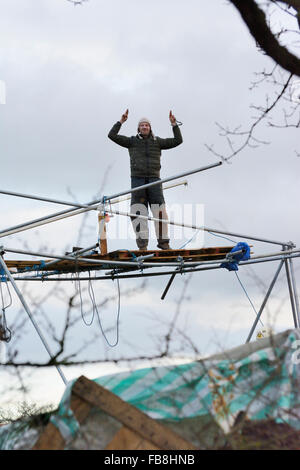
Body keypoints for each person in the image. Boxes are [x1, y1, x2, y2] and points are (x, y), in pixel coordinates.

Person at [108, 109, 183, 250]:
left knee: (160, 212)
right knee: (138, 212)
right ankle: (142, 246)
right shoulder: (132, 142)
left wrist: (174, 125)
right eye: (142, 125)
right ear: (138, 128)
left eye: (146, 125)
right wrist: (121, 121)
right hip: (137, 180)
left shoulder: (157, 142)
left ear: (150, 128)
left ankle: (164, 243)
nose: (144, 127)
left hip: (155, 180)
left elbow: (178, 141)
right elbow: (112, 135)